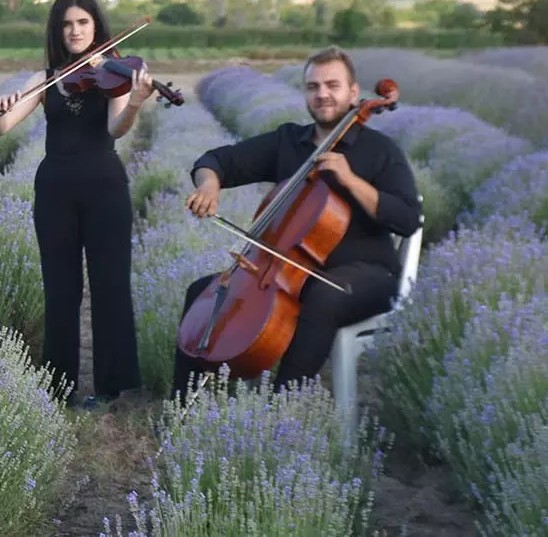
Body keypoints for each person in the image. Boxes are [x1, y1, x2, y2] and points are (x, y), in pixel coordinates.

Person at [172, 45, 422, 400]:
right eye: (313, 86)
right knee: (203, 291)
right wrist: (209, 184)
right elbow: (217, 160)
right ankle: (181, 410)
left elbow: (408, 219)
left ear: (353, 93)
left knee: (322, 297)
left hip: (367, 274)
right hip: (291, 273)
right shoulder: (289, 141)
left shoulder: (380, 150)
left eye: (332, 85)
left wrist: (351, 181)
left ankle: (282, 416)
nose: (322, 94)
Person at [0, 0, 163, 410]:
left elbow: (117, 129)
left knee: (110, 285)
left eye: (83, 22)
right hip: (55, 189)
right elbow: (0, 128)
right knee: (60, 289)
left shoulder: (113, 73)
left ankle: (110, 386)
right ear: (58, 30)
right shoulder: (45, 78)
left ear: (96, 26)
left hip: (105, 186)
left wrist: (135, 103)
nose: (75, 30)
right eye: (67, 24)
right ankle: (58, 385)